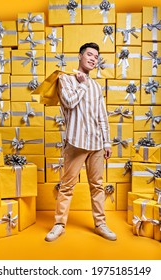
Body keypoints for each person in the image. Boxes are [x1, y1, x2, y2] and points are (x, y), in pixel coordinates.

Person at [45, 42, 117, 242]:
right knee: (67, 186)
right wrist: (82, 83)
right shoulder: (65, 79)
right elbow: (68, 102)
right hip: (76, 142)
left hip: (96, 144)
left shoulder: (96, 86)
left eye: (96, 57)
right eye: (90, 55)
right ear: (80, 55)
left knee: (98, 186)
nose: (93, 59)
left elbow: (102, 115)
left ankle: (100, 224)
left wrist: (107, 142)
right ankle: (59, 225)